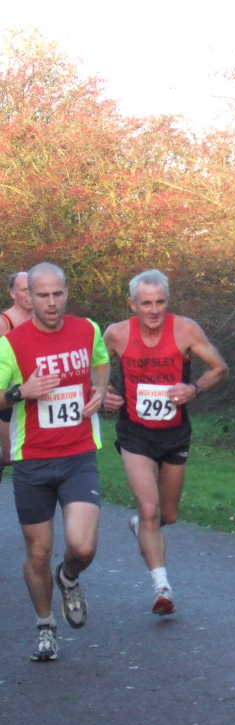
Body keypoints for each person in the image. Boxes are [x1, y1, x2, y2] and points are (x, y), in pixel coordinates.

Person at [0, 262, 110, 661]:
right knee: (38, 552)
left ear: (67, 293)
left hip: (79, 454)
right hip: (32, 461)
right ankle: (45, 626)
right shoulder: (11, 344)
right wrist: (21, 392)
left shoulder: (88, 329)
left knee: (82, 546)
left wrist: (100, 389)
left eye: (57, 294)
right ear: (28, 297)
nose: (50, 303)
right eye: (42, 295)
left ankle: (69, 576)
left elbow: (101, 361)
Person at [103, 269, 228, 616]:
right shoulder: (116, 334)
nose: (154, 310)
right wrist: (104, 394)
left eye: (160, 302)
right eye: (146, 303)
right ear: (132, 304)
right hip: (135, 433)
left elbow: (219, 367)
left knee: (167, 515)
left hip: (174, 433)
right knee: (149, 509)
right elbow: (92, 368)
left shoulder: (185, 330)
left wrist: (194, 389)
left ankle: (143, 527)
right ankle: (162, 588)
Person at [1, 272, 33, 472]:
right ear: (12, 293)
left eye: (33, 289)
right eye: (25, 290)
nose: (30, 294)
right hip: (7, 398)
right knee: (9, 457)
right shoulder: (4, 323)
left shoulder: (43, 319)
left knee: (25, 456)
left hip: (33, 396)